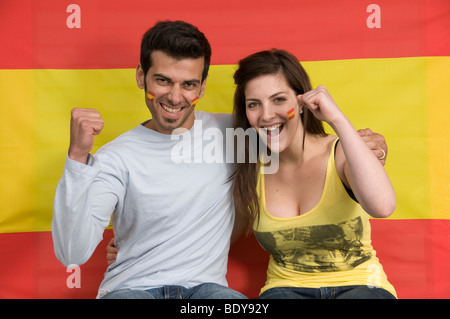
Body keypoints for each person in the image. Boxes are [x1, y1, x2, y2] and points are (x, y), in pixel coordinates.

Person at [53, 20, 388, 299]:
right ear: (142, 77)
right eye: (162, 80)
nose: (174, 96)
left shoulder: (241, 133)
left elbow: (291, 133)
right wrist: (78, 158)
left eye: (188, 84)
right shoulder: (116, 157)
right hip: (133, 289)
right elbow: (72, 252)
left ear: (201, 88)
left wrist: (361, 144)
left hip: (206, 293)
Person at [231, 49, 396, 299]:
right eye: (254, 104)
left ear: (301, 103)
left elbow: (383, 207)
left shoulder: (339, 152)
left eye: (278, 100)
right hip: (285, 289)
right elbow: (220, 235)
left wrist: (337, 118)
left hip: (360, 285)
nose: (266, 115)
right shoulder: (250, 170)